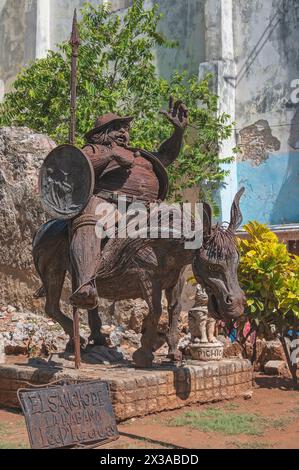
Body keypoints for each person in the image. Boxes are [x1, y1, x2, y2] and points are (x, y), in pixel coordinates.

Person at [69, 98, 189, 309]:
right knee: (88, 221)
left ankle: (202, 272)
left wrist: (178, 133)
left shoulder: (141, 155)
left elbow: (167, 155)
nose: (124, 132)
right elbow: (78, 168)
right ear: (102, 133)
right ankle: (85, 285)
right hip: (108, 205)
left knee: (187, 226)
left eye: (125, 128)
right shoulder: (95, 150)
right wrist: (111, 154)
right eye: (117, 129)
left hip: (148, 209)